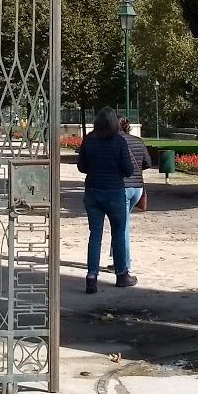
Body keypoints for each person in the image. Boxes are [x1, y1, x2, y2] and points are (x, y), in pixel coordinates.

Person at [75, 107, 136, 292]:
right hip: (114, 192)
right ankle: (121, 274)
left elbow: (81, 167)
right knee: (118, 234)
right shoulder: (119, 141)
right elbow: (128, 170)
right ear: (114, 123)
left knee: (95, 235)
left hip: (93, 191)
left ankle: (92, 276)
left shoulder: (89, 141)